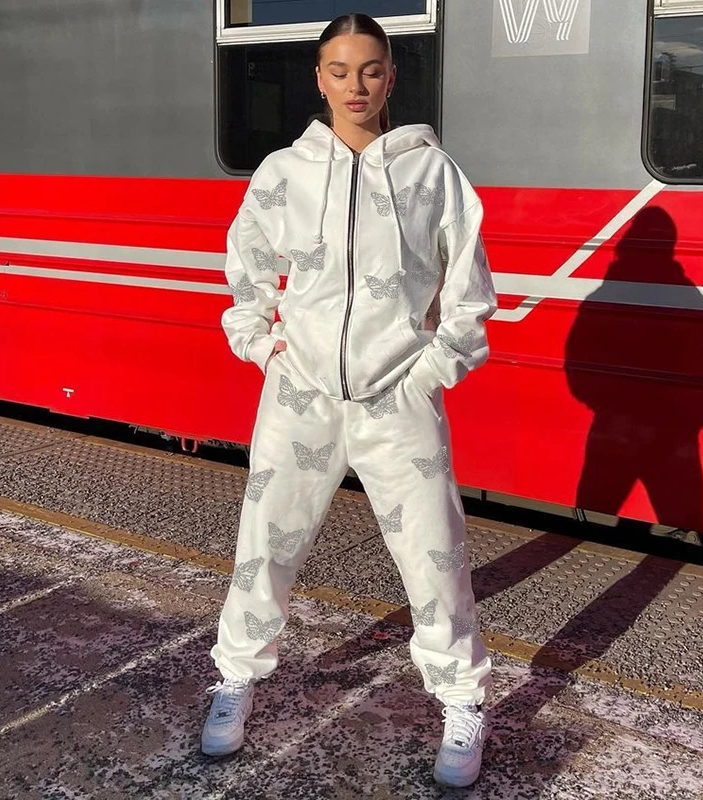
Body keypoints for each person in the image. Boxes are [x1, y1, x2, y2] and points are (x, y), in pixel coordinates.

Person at [202, 13, 496, 788]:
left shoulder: (433, 174)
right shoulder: (284, 172)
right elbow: (245, 265)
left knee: (434, 553)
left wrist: (432, 370)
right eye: (340, 70)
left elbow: (470, 287)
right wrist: (262, 346)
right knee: (264, 546)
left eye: (370, 70)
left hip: (398, 397)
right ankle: (235, 677)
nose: (355, 85)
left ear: (391, 77)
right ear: (319, 78)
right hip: (299, 395)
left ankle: (462, 699)